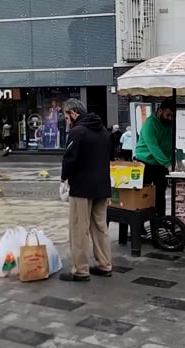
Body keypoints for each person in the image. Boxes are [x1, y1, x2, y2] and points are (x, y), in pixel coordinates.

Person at [59, 98, 112, 281]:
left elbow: (69, 159)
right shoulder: (103, 130)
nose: (67, 122)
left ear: (74, 113)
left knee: (79, 229)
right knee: (100, 228)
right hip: (102, 187)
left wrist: (63, 179)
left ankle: (80, 270)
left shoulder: (77, 132)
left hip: (81, 187)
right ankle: (105, 265)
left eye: (67, 117)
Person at [135, 99, 174, 218]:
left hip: (161, 163)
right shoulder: (150, 124)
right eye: (168, 115)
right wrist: (168, 164)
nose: (170, 118)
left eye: (172, 115)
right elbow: (153, 147)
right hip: (145, 161)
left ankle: (160, 219)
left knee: (160, 192)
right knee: (144, 193)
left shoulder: (170, 123)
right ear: (160, 111)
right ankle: (141, 223)